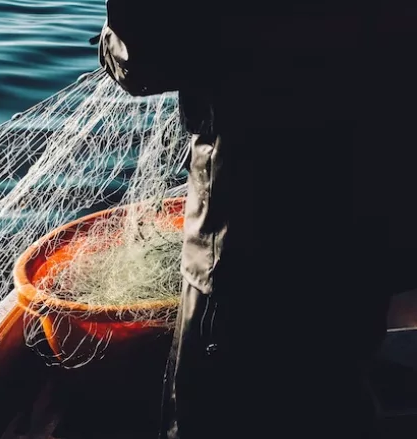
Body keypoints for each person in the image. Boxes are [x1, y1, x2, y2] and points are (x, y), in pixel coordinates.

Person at [98, 3, 417, 439]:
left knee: (220, 410)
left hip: (247, 237)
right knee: (336, 391)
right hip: (367, 225)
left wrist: (113, 41)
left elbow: (146, 60)